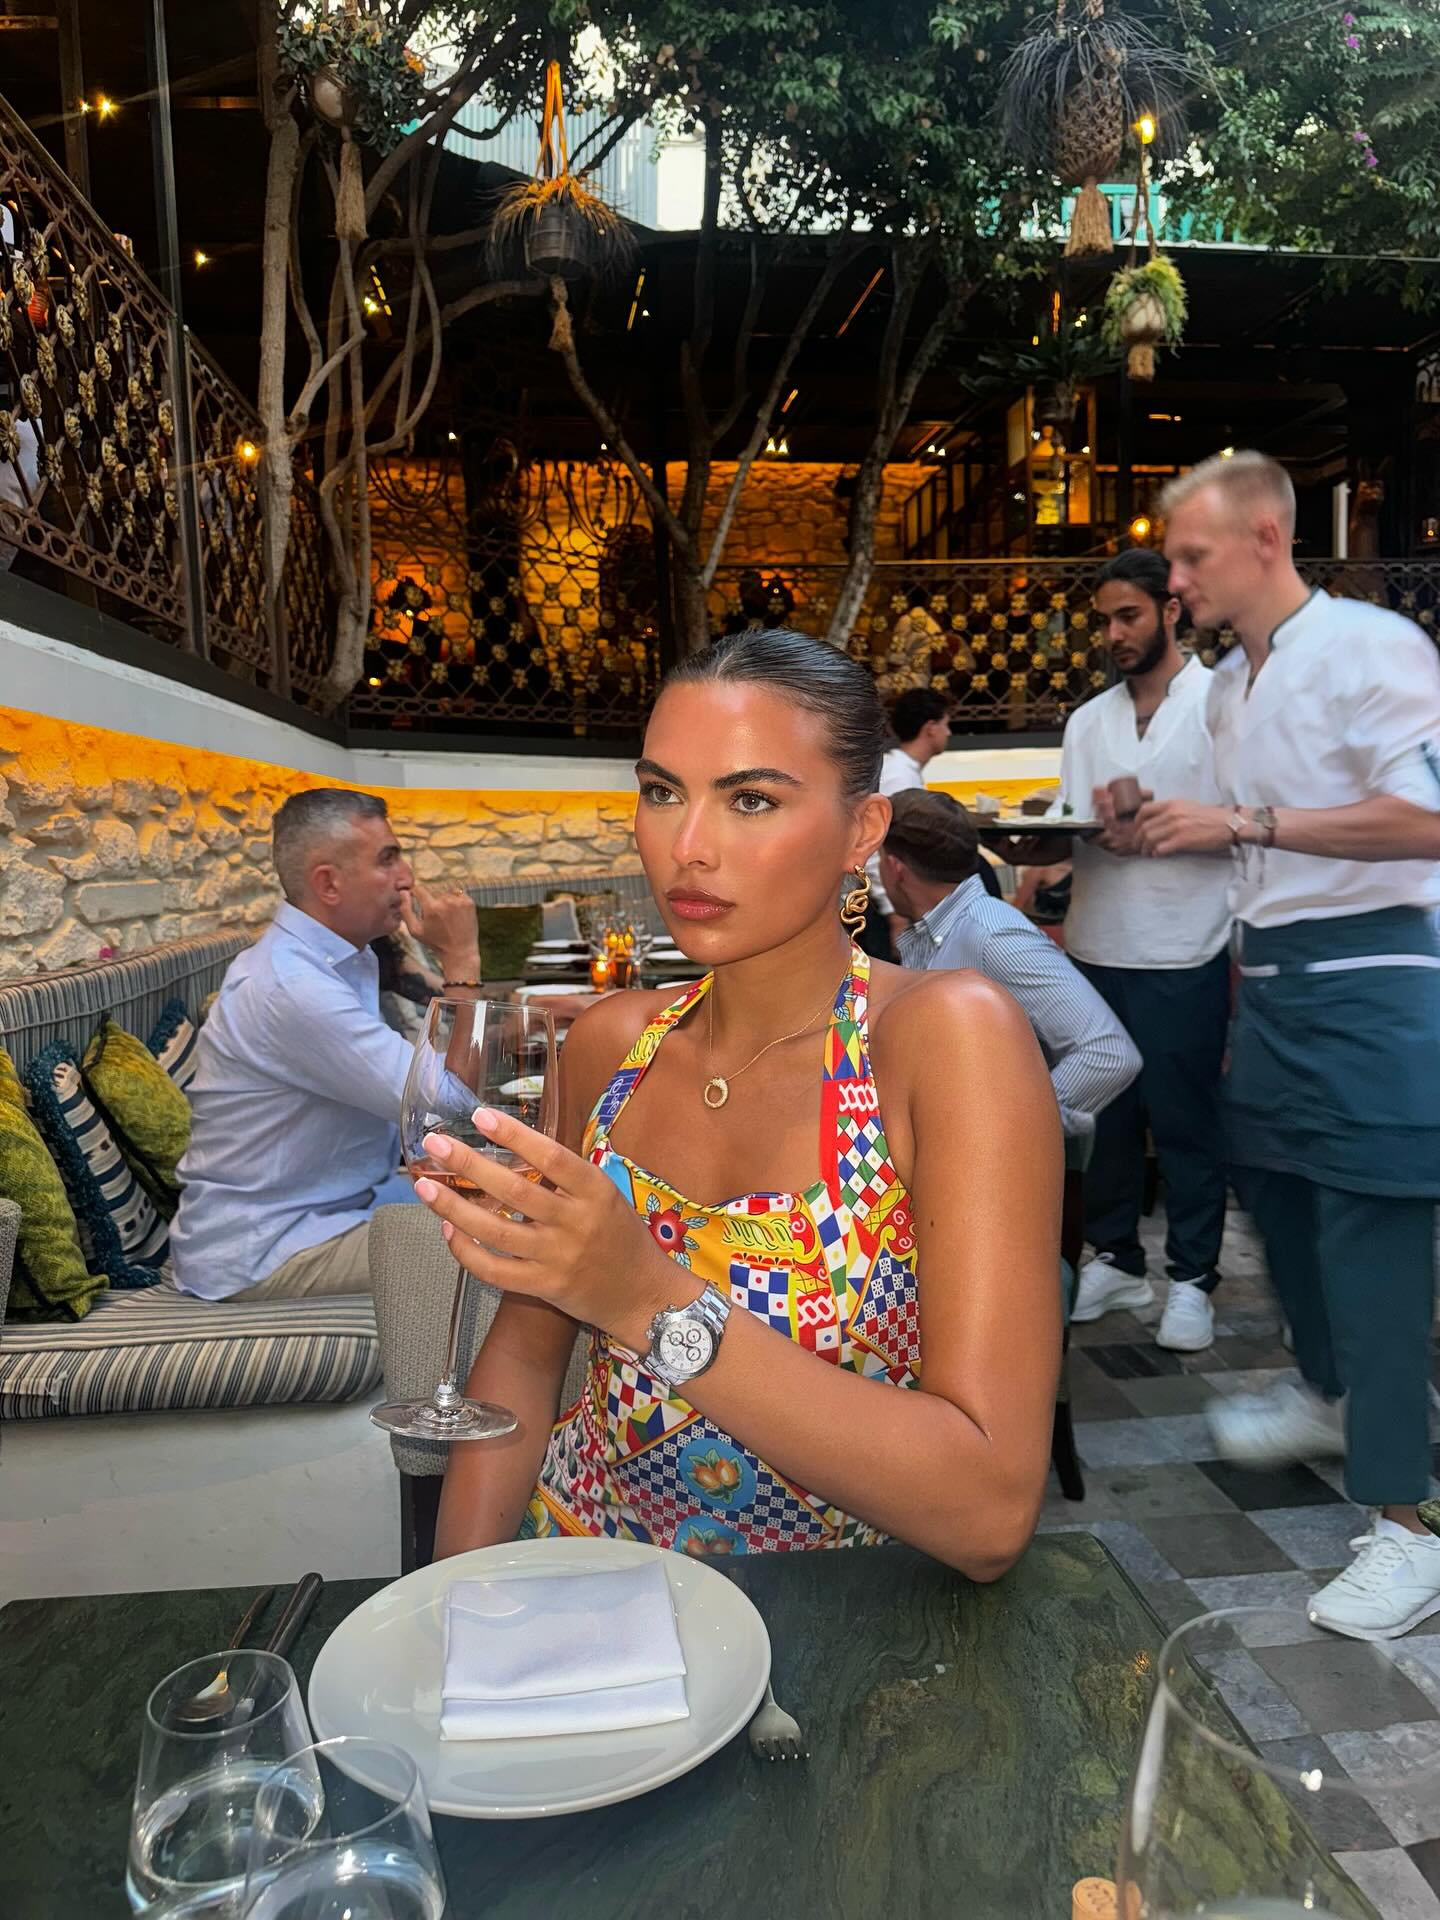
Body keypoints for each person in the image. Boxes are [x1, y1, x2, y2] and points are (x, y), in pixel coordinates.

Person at [427, 629, 1062, 1572]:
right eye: (661, 792)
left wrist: (645, 1296)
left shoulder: (943, 1039)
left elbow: (990, 1513)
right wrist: (452, 1604)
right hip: (583, 1578)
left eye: (751, 800)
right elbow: (522, 1358)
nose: (687, 848)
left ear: (863, 832)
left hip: (838, 1612)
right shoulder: (609, 1046)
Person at [1125, 450, 1440, 1640]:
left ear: (1266, 539)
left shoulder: (1373, 648)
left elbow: (1425, 818)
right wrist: (1162, 822)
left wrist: (1242, 818)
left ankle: (1410, 1523)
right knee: (1271, 1188)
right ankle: (1334, 1390)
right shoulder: (1223, 690)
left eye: (1191, 555)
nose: (1176, 579)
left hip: (1378, 971)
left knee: (1370, 1233)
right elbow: (1247, 833)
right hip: (1270, 976)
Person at [1025, 549, 1234, 1353]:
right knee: (1100, 1119)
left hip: (1186, 945)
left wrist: (1161, 825)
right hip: (1096, 943)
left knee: (1185, 1120)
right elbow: (1070, 829)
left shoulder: (1222, 704)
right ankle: (1115, 1258)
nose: (1114, 634)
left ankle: (1193, 1278)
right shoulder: (1087, 721)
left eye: (1129, 616)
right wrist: (1045, 842)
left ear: (1171, 611)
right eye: (1105, 620)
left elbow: (1251, 821)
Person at [171, 790, 483, 1301]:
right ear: (328, 883)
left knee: (524, 1202)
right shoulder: (292, 987)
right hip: (269, 1246)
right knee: (506, 1239)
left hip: (346, 1203)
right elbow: (449, 1107)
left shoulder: (343, 958)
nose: (406, 877)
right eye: (388, 859)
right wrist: (463, 958)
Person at [881, 789, 1140, 1146]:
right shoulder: (938, 930)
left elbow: (1109, 1053)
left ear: (895, 868)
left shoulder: (992, 934)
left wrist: (1007, 1126)